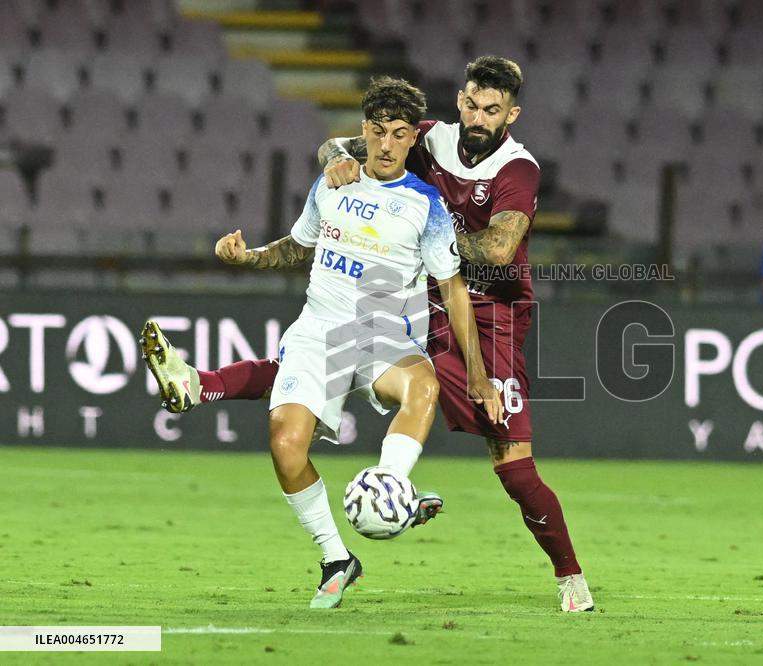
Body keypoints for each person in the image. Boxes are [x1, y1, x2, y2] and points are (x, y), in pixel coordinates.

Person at [143, 56, 595, 613]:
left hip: (490, 317)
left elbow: (500, 250)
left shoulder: (517, 169)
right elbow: (340, 146)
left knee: (513, 465)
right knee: (336, 360)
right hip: (414, 301)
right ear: (459, 101)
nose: (479, 118)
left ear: (512, 115)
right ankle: (376, 490)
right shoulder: (426, 137)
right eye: (473, 105)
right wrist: (336, 161)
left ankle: (568, 573)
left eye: (493, 111)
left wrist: (413, 238)